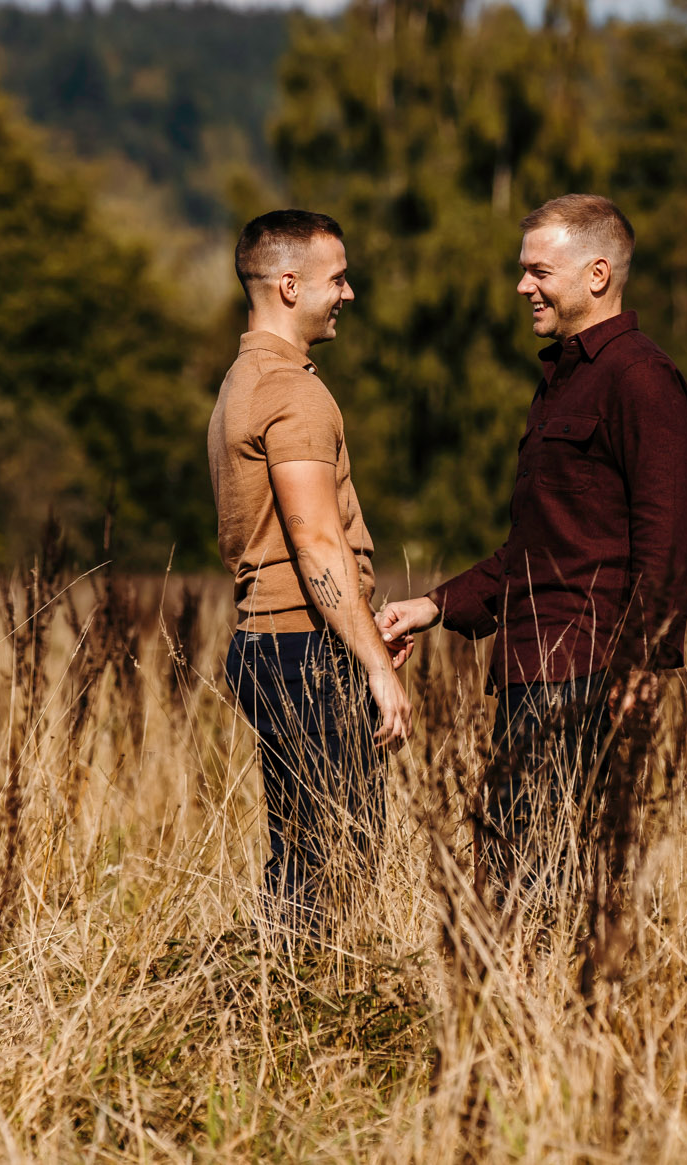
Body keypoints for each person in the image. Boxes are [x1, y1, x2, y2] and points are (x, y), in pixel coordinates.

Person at [378, 194, 687, 907]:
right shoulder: (563, 379)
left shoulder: (641, 380)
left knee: (537, 876)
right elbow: (541, 547)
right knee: (521, 864)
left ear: (597, 273)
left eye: (538, 271)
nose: (523, 286)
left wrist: (642, 666)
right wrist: (434, 605)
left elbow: (667, 538)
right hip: (534, 665)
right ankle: (530, 1013)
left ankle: (553, 1011)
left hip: (588, 672)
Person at [208, 209, 411, 935]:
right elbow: (316, 542)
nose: (349, 294)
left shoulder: (242, 381)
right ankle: (313, 1015)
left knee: (301, 856)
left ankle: (279, 1003)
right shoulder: (293, 393)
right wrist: (376, 664)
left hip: (270, 642)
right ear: (290, 286)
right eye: (339, 278)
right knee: (341, 858)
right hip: (306, 650)